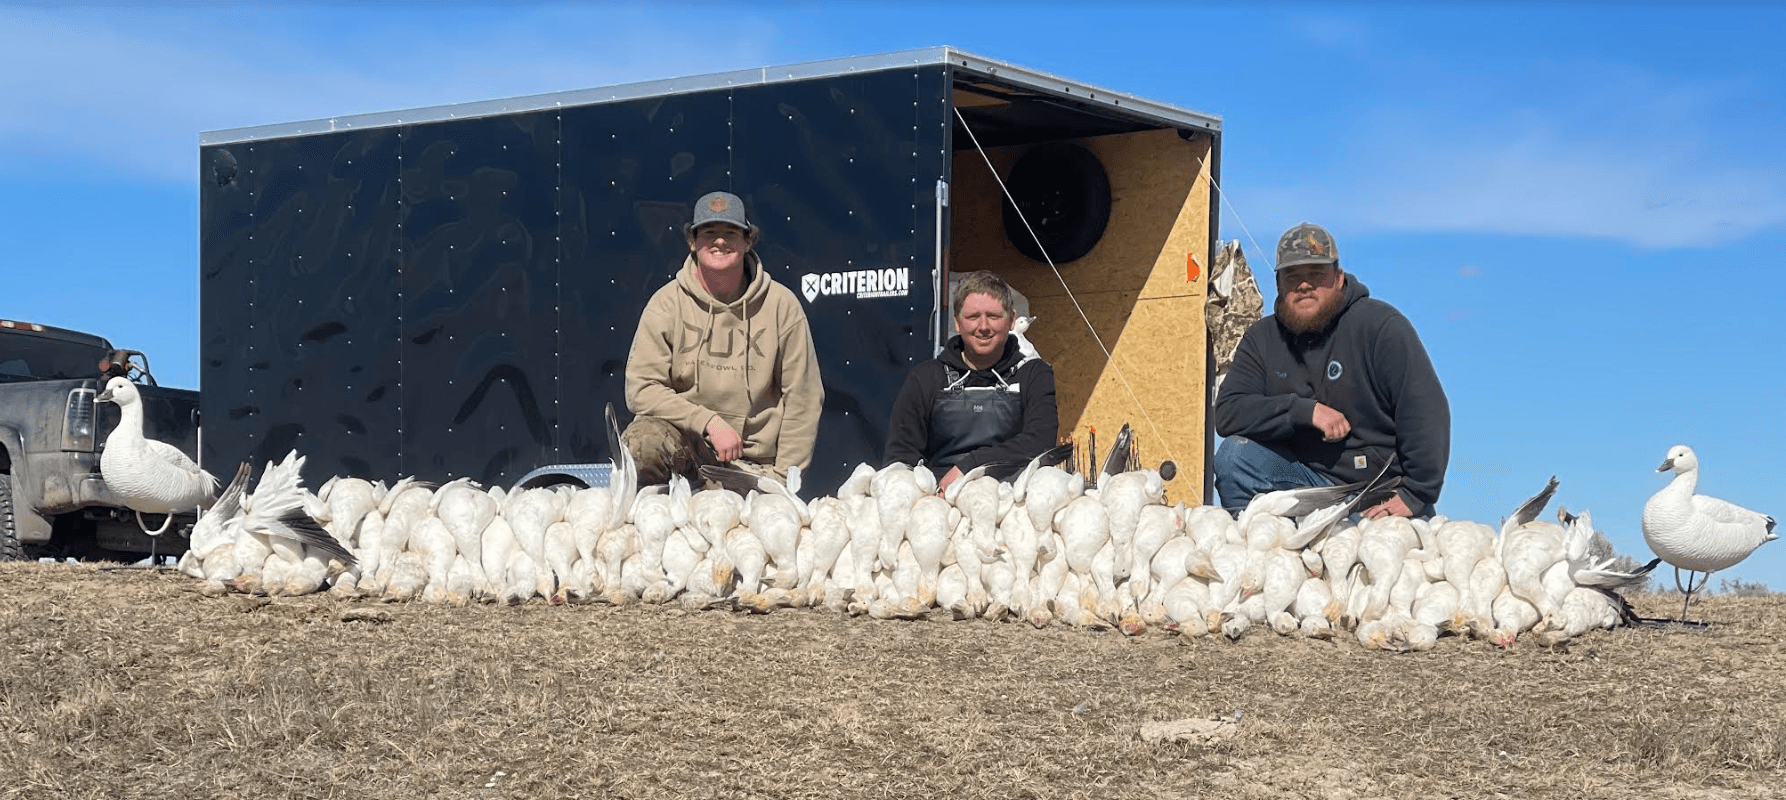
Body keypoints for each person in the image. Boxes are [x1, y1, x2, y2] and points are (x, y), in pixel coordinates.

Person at [1212, 222, 1450, 519]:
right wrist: (1303, 411)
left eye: (1315, 274)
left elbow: (1426, 409)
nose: (1303, 285)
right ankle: (1260, 548)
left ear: (1338, 279)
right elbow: (1228, 412)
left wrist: (1416, 494)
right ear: (1279, 284)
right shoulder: (1262, 339)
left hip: (1378, 493)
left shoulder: (1380, 325)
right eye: (1292, 276)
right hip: (1308, 488)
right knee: (1235, 456)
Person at [622, 191, 824, 485]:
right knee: (642, 441)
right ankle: (666, 505)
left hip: (755, 468)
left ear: (748, 241)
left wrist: (784, 479)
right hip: (687, 458)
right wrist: (707, 422)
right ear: (692, 242)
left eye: (731, 232)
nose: (719, 241)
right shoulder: (666, 303)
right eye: (709, 233)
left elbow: (803, 398)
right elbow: (642, 389)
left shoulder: (782, 305)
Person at [884, 270, 1059, 493]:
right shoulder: (925, 378)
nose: (983, 326)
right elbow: (900, 457)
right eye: (973, 317)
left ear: (1012, 320)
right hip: (940, 499)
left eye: (994, 316)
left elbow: (1040, 442)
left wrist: (970, 466)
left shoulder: (1034, 374)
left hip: (1011, 500)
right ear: (957, 322)